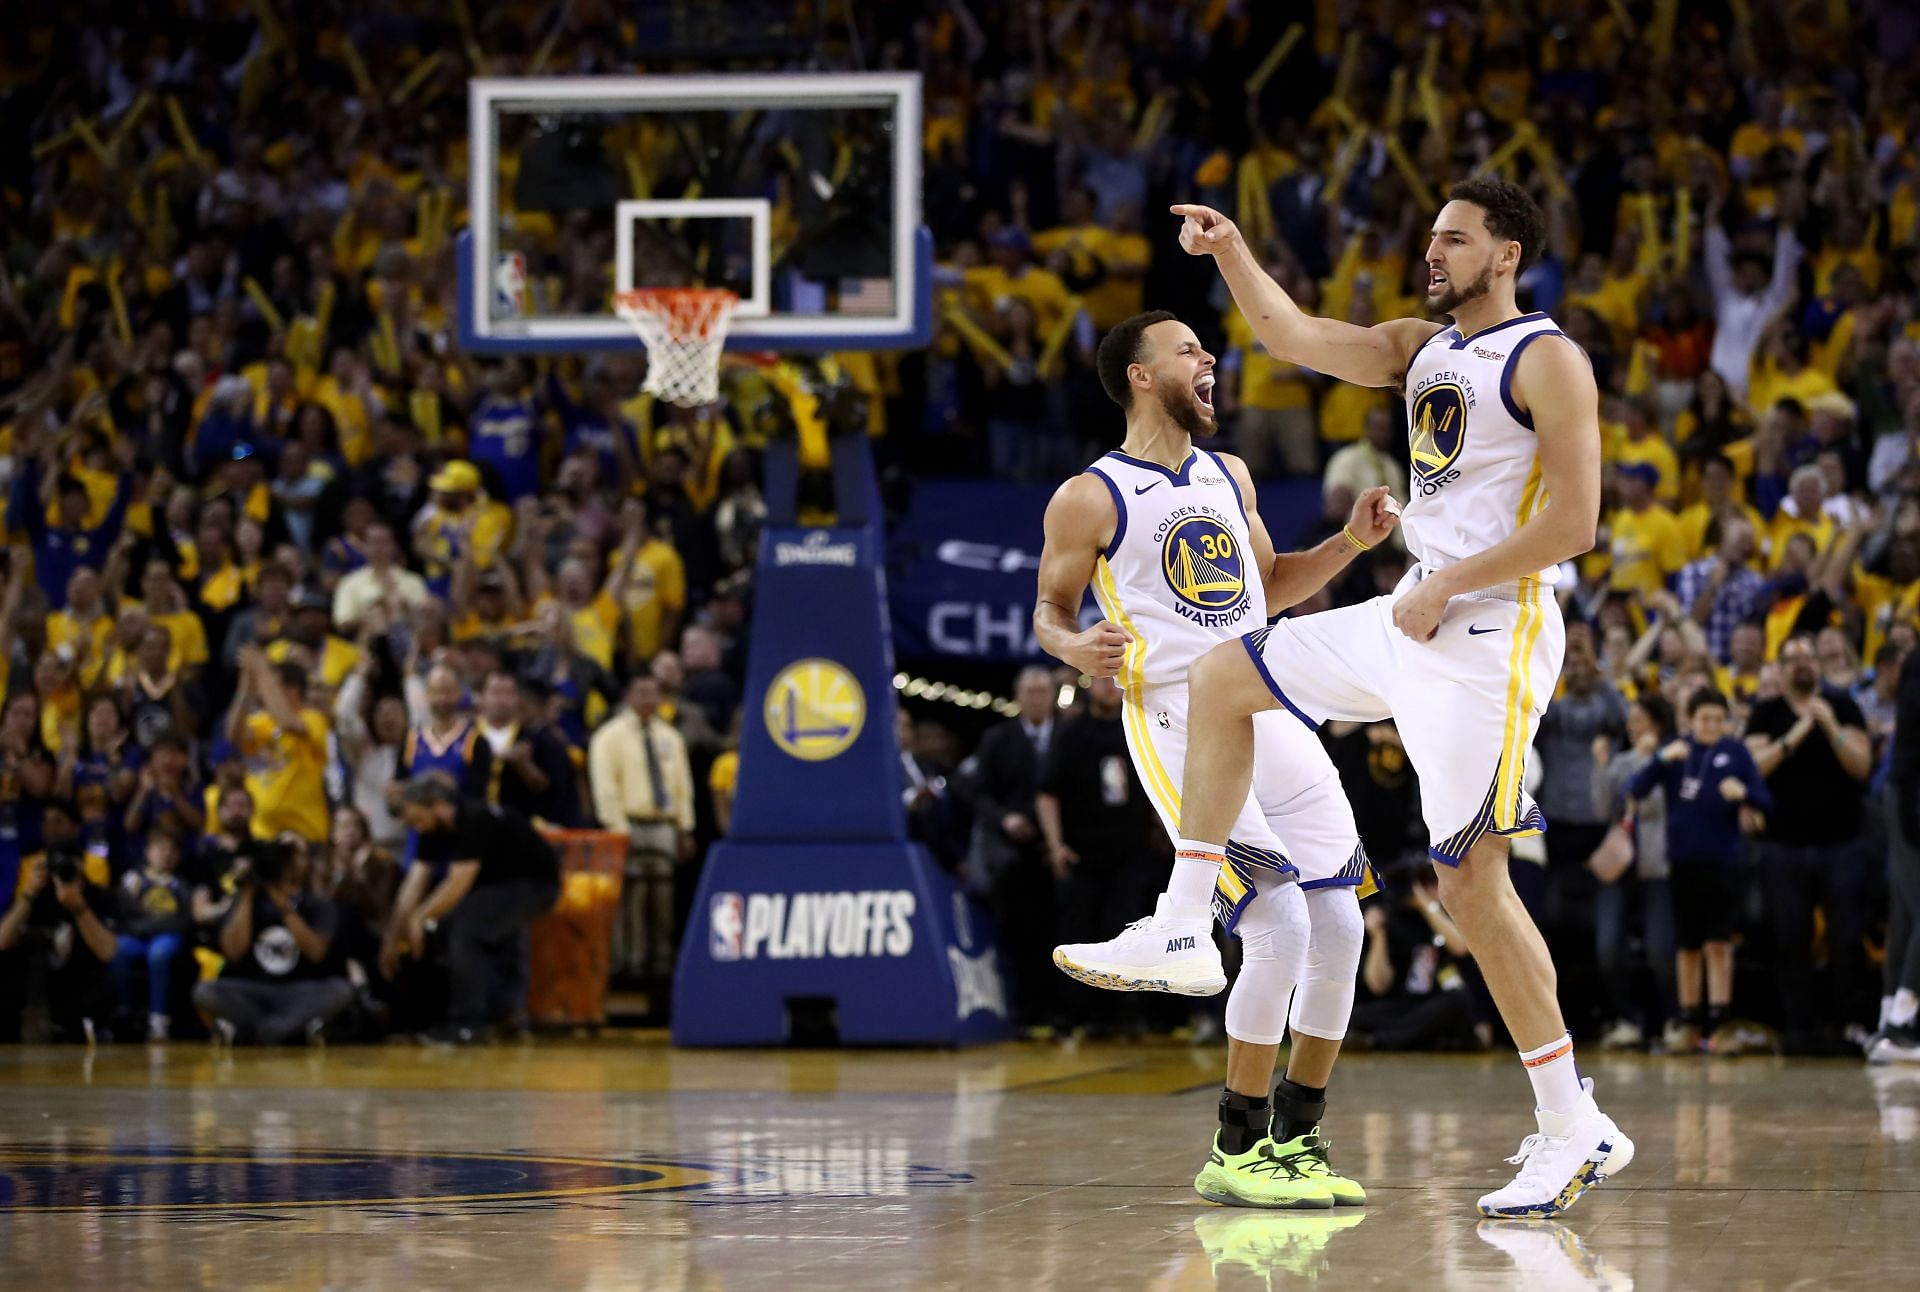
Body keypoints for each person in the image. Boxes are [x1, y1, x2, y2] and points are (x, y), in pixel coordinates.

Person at [1152, 180, 1629, 1219]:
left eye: (1454, 239)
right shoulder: (1421, 345)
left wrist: (1449, 581)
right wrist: (1230, 249)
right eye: (1431, 237)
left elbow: (1579, 522)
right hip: (1412, 610)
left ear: (1506, 255)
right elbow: (1293, 336)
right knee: (1224, 672)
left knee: (1471, 884)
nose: (1434, 252)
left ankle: (1568, 1120)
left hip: (1486, 633)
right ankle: (1182, 917)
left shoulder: (1548, 356)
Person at [1039, 309, 1397, 1208]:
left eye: (1208, 348)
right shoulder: (1090, 495)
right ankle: (1235, 1145)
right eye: (1189, 349)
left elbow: (1269, 586)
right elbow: (1049, 609)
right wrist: (1073, 646)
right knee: (1277, 921)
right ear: (1139, 375)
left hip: (1265, 699)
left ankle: (1297, 1140)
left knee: (1342, 927)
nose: (1210, 359)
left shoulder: (1230, 473)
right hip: (1176, 716)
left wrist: (1350, 545)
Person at [1745, 633, 1875, 1053]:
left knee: (1846, 937)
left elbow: (1861, 766)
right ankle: (1798, 1029)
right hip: (1783, 846)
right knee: (1790, 938)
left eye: (1808, 657)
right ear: (1781, 670)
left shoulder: (1843, 706)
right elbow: (1754, 767)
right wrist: (1799, 732)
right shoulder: (1766, 712)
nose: (1802, 664)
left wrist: (1830, 727)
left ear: (1818, 665)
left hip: (1842, 844)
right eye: (1793, 658)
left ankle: (1847, 1025)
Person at [1627, 690, 1772, 1053]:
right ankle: (1689, 1024)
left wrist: (1744, 795)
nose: (1711, 726)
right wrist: (1661, 758)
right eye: (1704, 719)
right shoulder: (1677, 751)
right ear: (1690, 720)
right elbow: (1635, 789)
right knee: (1687, 945)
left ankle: (1720, 1025)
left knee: (1718, 943)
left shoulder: (1736, 753)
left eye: (1718, 719)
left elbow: (1766, 800)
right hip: (1682, 863)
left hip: (1724, 863)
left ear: (1726, 722)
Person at [389, 778, 561, 1044]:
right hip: (497, 887)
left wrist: (420, 917)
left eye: (417, 819)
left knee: (465, 930)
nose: (414, 827)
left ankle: (469, 1023)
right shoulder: (432, 830)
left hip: (535, 884)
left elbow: (458, 882)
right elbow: (414, 882)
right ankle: (503, 1015)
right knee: (454, 928)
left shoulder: (475, 817)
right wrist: (392, 937)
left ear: (439, 805)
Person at [193, 833, 353, 1045]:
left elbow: (316, 953)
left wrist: (284, 906)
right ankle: (290, 1032)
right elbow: (233, 951)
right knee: (204, 991)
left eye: (296, 854)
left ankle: (253, 1033)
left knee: (341, 990)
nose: (287, 862)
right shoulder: (248, 899)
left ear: (307, 862)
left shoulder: (318, 905)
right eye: (283, 854)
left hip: (300, 991)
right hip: (252, 990)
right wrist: (247, 893)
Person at [588, 674, 695, 983]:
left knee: (663, 896)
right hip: (627, 823)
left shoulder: (670, 737)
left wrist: (685, 827)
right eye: (642, 692)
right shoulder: (608, 737)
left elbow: (682, 786)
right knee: (630, 896)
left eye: (654, 692)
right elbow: (605, 787)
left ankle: (660, 961)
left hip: (663, 823)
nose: (649, 699)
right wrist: (618, 828)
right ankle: (628, 962)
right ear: (628, 696)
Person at [1872, 649, 1920, 1063]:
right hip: (1911, 795)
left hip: (1907, 793)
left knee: (1906, 912)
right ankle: (1902, 1024)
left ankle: (1889, 1015)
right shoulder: (1917, 665)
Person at [110, 826, 193, 1041]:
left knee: (159, 953)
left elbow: (184, 920)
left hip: (165, 938)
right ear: (147, 852)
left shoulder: (182, 884)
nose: (166, 854)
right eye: (160, 848)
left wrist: (149, 924)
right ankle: (125, 1013)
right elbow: (124, 913)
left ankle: (159, 1020)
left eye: (172, 849)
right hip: (137, 936)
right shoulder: (132, 879)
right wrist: (159, 923)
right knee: (118, 949)